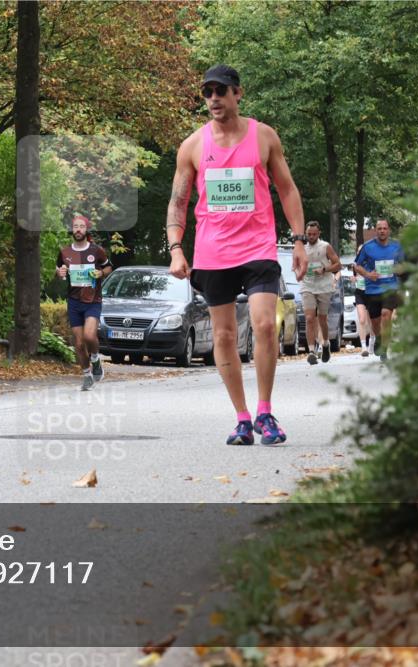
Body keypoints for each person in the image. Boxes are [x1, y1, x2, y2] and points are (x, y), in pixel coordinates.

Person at [167, 64, 307, 446]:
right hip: (213, 252)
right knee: (225, 336)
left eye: (220, 91)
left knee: (263, 325)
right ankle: (242, 418)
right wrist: (177, 249)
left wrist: (297, 240)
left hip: (258, 246)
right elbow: (178, 201)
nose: (213, 98)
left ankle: (265, 410)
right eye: (207, 92)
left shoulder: (263, 136)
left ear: (237, 94)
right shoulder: (193, 146)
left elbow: (288, 190)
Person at [56, 214, 113, 391]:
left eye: (81, 226)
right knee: (79, 343)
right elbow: (59, 270)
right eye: (75, 227)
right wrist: (60, 273)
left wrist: (101, 273)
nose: (78, 229)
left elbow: (109, 266)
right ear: (72, 230)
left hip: (92, 300)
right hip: (74, 301)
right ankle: (87, 374)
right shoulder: (65, 252)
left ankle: (95, 359)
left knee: (89, 336)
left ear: (86, 229)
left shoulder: (96, 250)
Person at [353, 219, 405, 362]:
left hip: (391, 286)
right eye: (379, 228)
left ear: (388, 230)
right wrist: (368, 275)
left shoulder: (397, 246)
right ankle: (379, 338)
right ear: (376, 231)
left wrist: (399, 269)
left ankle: (385, 349)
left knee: (386, 314)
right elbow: (357, 266)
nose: (382, 231)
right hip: (372, 289)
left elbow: (403, 265)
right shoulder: (368, 247)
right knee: (375, 322)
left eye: (384, 228)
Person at [299, 221, 342, 364]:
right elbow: (297, 266)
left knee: (322, 319)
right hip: (308, 286)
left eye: (314, 234)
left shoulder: (325, 247)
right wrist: (299, 272)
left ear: (318, 234)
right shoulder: (301, 248)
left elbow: (338, 264)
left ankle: (325, 344)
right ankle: (311, 351)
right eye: (309, 234)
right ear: (306, 233)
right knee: (310, 318)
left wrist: (324, 269)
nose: (311, 236)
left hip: (324, 286)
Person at [350, 245, 374, 356]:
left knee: (372, 321)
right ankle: (363, 346)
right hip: (360, 293)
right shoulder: (354, 265)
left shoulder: (372, 263)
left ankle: (372, 342)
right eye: (359, 251)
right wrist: (353, 279)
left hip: (371, 292)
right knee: (362, 319)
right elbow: (354, 277)